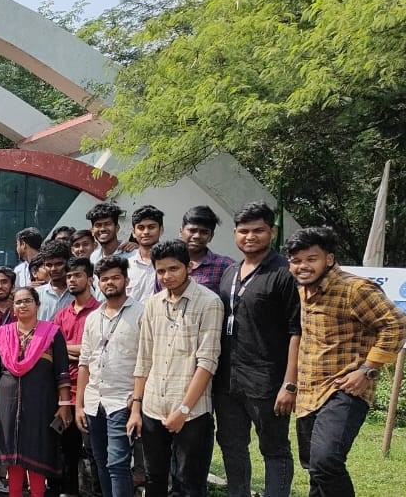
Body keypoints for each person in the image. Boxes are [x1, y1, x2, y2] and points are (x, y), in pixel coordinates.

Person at [286, 227, 406, 497]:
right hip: (310, 392)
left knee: (326, 461)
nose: (303, 266)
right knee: (314, 468)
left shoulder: (354, 289)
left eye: (311, 259)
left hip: (345, 389)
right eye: (296, 260)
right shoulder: (303, 290)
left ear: (329, 259)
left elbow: (397, 324)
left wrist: (367, 369)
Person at [211, 202, 299, 497]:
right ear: (235, 233)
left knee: (274, 448)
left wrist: (290, 383)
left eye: (258, 230)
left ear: (271, 232)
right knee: (231, 444)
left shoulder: (285, 273)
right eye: (243, 231)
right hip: (227, 379)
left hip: (267, 379)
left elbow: (296, 330)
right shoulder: (230, 272)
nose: (250, 236)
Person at [128, 240, 224, 497]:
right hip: (152, 407)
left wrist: (183, 410)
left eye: (173, 269)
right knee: (154, 479)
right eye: (160, 271)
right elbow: (143, 357)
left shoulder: (209, 302)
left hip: (191, 412)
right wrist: (136, 408)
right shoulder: (153, 303)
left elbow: (207, 362)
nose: (166, 276)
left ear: (189, 267)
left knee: (188, 484)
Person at [0, 285, 71, 497]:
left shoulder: (52, 333)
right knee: (13, 454)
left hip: (41, 404)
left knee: (36, 453)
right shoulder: (2, 335)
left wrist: (65, 405)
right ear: (13, 307)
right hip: (7, 405)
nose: (23, 305)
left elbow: (62, 373)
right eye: (18, 302)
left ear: (37, 305)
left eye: (27, 301)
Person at [75, 256, 144, 497]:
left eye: (115, 277)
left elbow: (145, 361)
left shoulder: (142, 313)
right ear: (98, 283)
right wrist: (79, 405)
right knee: (100, 460)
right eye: (104, 279)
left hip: (123, 399)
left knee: (117, 462)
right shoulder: (93, 317)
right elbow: (84, 362)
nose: (109, 283)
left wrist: (137, 403)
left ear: (126, 280)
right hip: (94, 400)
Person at [51, 256, 101, 497]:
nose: (72, 280)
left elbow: (99, 349)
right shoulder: (62, 315)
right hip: (64, 390)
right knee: (67, 450)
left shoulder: (101, 311)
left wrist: (69, 350)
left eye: (77, 275)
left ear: (90, 279)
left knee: (95, 451)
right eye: (69, 276)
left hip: (93, 391)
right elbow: (53, 347)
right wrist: (81, 350)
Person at [179, 206, 234, 295]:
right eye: (192, 230)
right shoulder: (167, 262)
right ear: (181, 231)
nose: (197, 236)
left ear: (211, 236)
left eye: (204, 232)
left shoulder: (225, 265)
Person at [126, 205, 165, 301]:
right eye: (141, 227)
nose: (146, 232)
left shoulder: (171, 264)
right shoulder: (126, 265)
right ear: (133, 232)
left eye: (151, 227)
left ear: (161, 230)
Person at [34, 239, 75, 320]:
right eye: (49, 265)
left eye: (59, 264)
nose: (53, 269)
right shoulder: (37, 294)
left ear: (68, 263)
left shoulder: (80, 291)